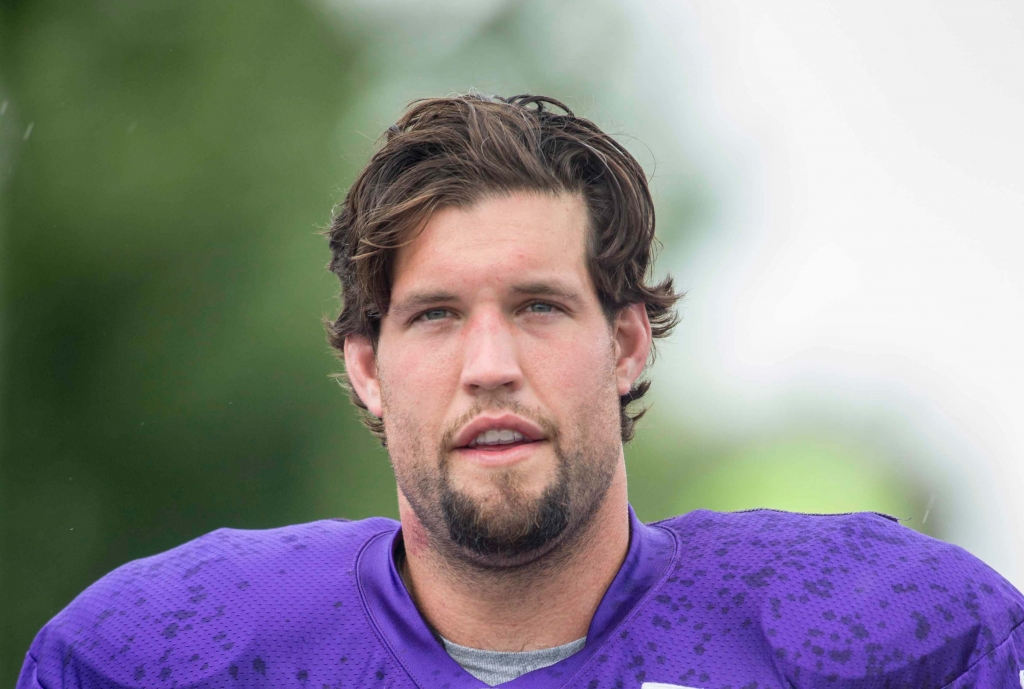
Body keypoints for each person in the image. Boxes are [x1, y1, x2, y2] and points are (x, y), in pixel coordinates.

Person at [17, 93, 1024, 689]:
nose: (490, 362)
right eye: (436, 314)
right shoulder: (171, 651)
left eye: (538, 305)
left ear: (626, 342)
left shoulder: (871, 631)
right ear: (367, 366)